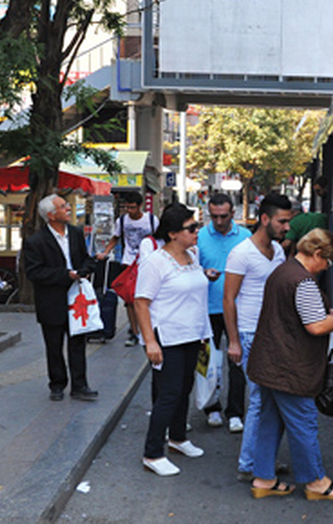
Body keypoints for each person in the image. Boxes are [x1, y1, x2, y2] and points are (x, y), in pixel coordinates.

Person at [247, 228, 333, 501]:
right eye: (327, 260)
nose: (326, 266)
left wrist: (324, 314)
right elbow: (316, 327)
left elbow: (290, 314)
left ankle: (263, 478)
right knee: (303, 422)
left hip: (268, 361)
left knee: (270, 422)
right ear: (317, 254)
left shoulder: (282, 271)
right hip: (290, 367)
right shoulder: (304, 281)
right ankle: (316, 482)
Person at [134, 203, 211, 477]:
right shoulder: (155, 262)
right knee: (168, 394)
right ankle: (153, 453)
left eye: (196, 226)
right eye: (191, 228)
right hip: (167, 337)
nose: (197, 232)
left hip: (192, 334)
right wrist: (150, 341)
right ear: (173, 233)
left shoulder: (193, 255)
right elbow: (141, 302)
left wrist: (204, 334)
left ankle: (178, 438)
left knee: (185, 388)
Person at [223, 193, 292, 481]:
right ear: (265, 219)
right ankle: (249, 464)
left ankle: (259, 460)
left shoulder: (277, 250)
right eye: (282, 221)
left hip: (271, 335)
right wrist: (234, 340)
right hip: (250, 335)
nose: (287, 227)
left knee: (268, 400)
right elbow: (229, 299)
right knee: (261, 401)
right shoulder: (241, 253)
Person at [22, 195, 99, 402]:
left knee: (78, 343)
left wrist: (85, 270)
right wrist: (66, 275)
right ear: (51, 215)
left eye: (66, 205)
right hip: (51, 300)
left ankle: (80, 385)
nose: (68, 208)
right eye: (63, 206)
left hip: (77, 299)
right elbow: (35, 273)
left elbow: (85, 258)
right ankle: (57, 384)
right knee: (54, 345)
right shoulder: (35, 241)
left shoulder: (75, 233)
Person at [196, 193, 251, 431]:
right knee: (208, 361)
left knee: (237, 360)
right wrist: (202, 273)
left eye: (224, 216)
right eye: (214, 216)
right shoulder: (199, 237)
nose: (218, 221)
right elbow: (188, 267)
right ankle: (212, 407)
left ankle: (235, 411)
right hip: (207, 308)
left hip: (239, 308)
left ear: (233, 213)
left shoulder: (246, 237)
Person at [96, 192, 158, 347]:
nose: (129, 211)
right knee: (130, 300)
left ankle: (147, 328)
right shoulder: (122, 220)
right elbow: (116, 237)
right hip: (128, 263)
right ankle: (134, 331)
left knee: (146, 297)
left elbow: (159, 239)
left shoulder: (151, 220)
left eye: (132, 207)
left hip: (148, 262)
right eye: (127, 207)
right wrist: (105, 252)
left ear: (140, 206)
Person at [283, 177, 330, 257]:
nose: (318, 194)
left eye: (318, 191)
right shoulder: (321, 217)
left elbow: (287, 243)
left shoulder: (294, 222)